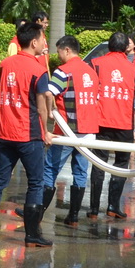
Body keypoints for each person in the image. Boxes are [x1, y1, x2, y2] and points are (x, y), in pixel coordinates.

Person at [0, 22, 50, 245]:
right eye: (42, 39)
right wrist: (46, 132)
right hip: (28, 134)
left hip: (5, 132)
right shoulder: (38, 70)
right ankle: (32, 235)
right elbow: (41, 107)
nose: (44, 43)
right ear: (34, 42)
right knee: (36, 183)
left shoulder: (5, 64)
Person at [82, 32, 135, 222]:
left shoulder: (96, 64)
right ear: (125, 48)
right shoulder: (133, 69)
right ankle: (113, 206)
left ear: (109, 46)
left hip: (101, 121)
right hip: (124, 122)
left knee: (99, 163)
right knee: (121, 164)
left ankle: (93, 208)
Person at [42, 36, 98, 225]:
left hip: (67, 130)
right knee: (80, 173)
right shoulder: (91, 71)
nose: (57, 56)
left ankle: (37, 212)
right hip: (89, 131)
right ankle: (73, 216)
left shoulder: (63, 71)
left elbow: (49, 92)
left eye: (58, 52)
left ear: (67, 50)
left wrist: (50, 111)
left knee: (50, 168)